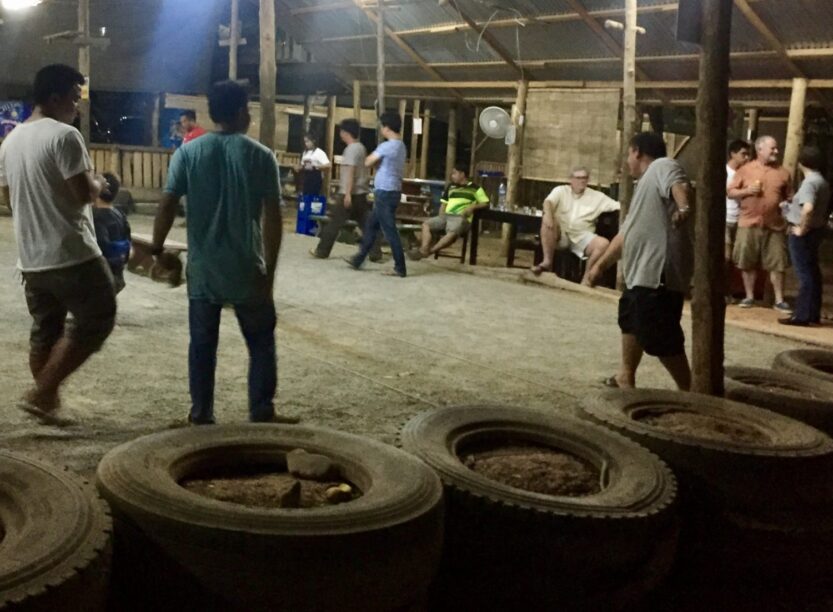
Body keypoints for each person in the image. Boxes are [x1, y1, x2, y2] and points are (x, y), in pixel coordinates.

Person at [151, 80, 295, 425]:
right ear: (243, 111)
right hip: (247, 265)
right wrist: (269, 272)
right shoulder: (261, 156)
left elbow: (167, 204)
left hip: (203, 268)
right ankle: (261, 409)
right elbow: (273, 218)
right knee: (260, 341)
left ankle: (201, 412)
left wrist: (157, 249)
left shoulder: (187, 153)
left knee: (202, 345)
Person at [0, 64, 116, 425]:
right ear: (54, 97)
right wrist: (98, 183)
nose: (76, 107)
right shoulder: (64, 136)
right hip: (71, 252)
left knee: (45, 333)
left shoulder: (11, 141)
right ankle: (43, 391)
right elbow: (83, 194)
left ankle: (44, 404)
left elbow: (6, 196)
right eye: (73, 98)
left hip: (32, 259)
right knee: (97, 318)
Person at [586, 132, 693, 391]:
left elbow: (679, 185)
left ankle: (691, 389)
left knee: (660, 335)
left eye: (628, 155)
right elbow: (626, 235)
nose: (627, 161)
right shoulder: (644, 187)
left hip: (659, 273)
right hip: (640, 274)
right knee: (631, 320)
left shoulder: (662, 165)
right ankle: (625, 376)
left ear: (636, 151)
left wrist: (684, 208)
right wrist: (600, 266)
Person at [727, 135, 794, 313]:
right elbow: (731, 192)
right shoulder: (745, 170)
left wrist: (787, 210)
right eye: (772, 149)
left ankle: (779, 300)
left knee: (777, 262)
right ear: (760, 150)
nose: (776, 152)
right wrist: (747, 191)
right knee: (747, 261)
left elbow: (790, 197)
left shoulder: (783, 173)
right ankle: (749, 296)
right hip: (748, 222)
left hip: (775, 225)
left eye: (776, 148)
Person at [531, 166, 621, 285]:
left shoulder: (597, 197)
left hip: (582, 235)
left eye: (585, 178)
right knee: (548, 221)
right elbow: (548, 202)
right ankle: (547, 262)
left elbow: (619, 205)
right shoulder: (561, 190)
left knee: (603, 244)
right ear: (571, 180)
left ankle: (587, 278)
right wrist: (547, 214)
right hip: (560, 233)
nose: (582, 181)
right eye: (578, 178)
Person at [344, 111, 408, 278]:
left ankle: (400, 267)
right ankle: (359, 259)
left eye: (381, 126)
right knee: (371, 226)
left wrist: (374, 159)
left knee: (389, 230)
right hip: (393, 190)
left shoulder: (386, 146)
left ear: (387, 127)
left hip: (384, 191)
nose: (380, 129)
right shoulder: (401, 146)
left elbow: (368, 161)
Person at [311, 118, 381, 261]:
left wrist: (347, 193)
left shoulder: (350, 150)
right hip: (362, 192)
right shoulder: (361, 147)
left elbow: (350, 172)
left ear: (346, 132)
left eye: (341, 131)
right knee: (366, 224)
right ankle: (375, 252)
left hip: (349, 193)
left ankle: (322, 250)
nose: (340, 134)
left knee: (334, 222)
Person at [780, 145, 830, 326]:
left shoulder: (809, 182)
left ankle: (801, 315)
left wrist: (801, 228)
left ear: (802, 163)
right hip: (816, 230)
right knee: (813, 272)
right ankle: (812, 313)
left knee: (804, 274)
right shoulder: (822, 181)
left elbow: (808, 208)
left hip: (804, 232)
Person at [409, 163, 490, 260]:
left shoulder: (475, 188)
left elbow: (485, 203)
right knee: (426, 224)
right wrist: (440, 217)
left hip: (460, 217)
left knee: (452, 233)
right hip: (445, 216)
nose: (452, 176)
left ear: (462, 174)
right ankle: (424, 249)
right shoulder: (451, 187)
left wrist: (472, 207)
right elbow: (444, 203)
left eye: (454, 173)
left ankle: (430, 251)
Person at [93, 172, 131, 294]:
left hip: (101, 277)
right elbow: (128, 242)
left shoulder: (96, 217)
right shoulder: (120, 215)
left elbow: (101, 247)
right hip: (118, 272)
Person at [725, 139, 750, 263]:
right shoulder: (724, 172)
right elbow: (729, 193)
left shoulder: (744, 173)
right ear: (733, 154)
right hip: (726, 217)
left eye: (747, 154)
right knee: (727, 253)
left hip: (740, 218)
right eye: (743, 154)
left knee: (737, 254)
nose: (746, 157)